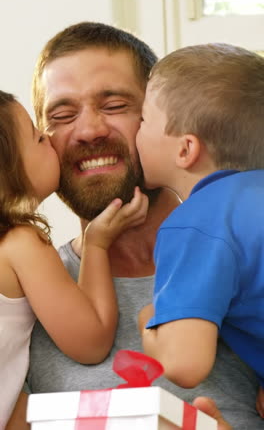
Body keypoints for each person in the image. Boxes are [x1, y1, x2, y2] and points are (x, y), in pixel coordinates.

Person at [8, 23, 263, 429]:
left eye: (114, 106)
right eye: (62, 115)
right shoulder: (20, 296)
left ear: (166, 123)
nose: (89, 130)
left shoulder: (249, 261)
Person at [0, 90, 148, 428]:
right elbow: (91, 341)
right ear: (9, 168)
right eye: (39, 137)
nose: (51, 143)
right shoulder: (21, 243)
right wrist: (96, 245)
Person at [136, 43, 264, 418]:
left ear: (185, 149)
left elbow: (184, 363)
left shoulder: (198, 221)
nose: (136, 132)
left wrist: (148, 321)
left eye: (143, 120)